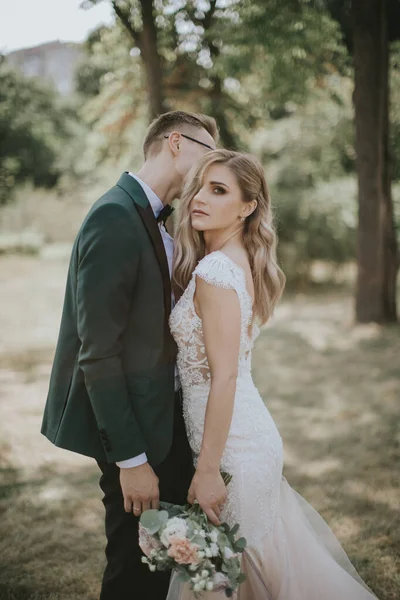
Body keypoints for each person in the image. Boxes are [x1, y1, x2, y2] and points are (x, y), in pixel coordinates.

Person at [168, 149, 378, 599]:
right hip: (241, 436)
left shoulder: (216, 270)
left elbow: (223, 378)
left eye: (218, 190)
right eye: (200, 186)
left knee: (241, 579)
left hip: (232, 452)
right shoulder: (236, 259)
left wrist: (207, 471)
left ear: (248, 207)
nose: (199, 198)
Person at [41, 110, 218, 600]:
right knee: (133, 572)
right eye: (209, 153)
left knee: (161, 565)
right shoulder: (114, 215)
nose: (211, 171)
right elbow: (97, 353)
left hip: (164, 419)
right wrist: (131, 460)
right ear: (176, 143)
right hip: (135, 433)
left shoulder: (160, 219)